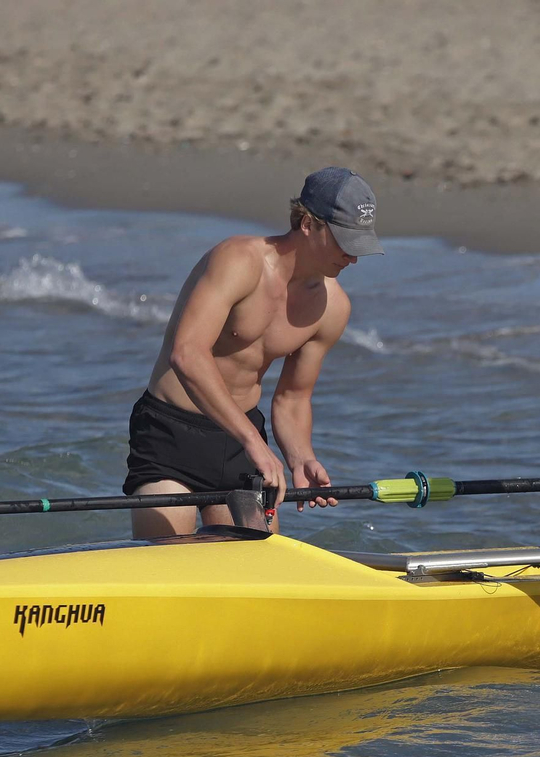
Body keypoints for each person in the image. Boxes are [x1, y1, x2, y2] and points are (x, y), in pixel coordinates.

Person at [122, 167, 382, 538]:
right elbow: (188, 354)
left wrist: (301, 456)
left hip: (242, 443)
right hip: (170, 434)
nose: (353, 258)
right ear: (308, 223)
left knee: (257, 568)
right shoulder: (238, 260)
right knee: (168, 564)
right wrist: (252, 441)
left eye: (361, 244)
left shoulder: (332, 307)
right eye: (344, 241)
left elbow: (292, 399)